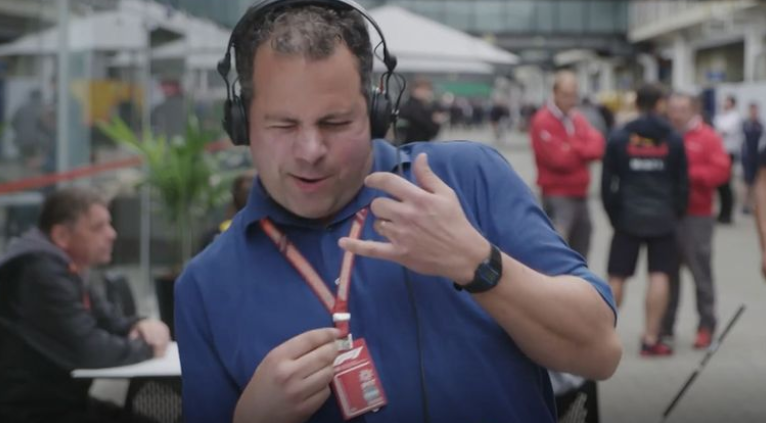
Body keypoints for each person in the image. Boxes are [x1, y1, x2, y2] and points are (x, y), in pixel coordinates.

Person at [175, 2, 622, 423]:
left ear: (376, 112)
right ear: (241, 124)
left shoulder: (467, 180)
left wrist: (480, 264)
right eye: (283, 125)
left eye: (335, 123)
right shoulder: (206, 284)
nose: (310, 151)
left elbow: (599, 352)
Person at [0, 187, 170, 422]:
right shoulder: (38, 271)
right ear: (61, 236)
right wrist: (148, 347)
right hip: (33, 411)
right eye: (98, 227)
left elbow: (109, 321)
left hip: (60, 403)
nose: (112, 234)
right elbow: (89, 349)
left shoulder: (66, 267)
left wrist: (143, 323)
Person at [601, 83, 688, 356]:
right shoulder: (673, 138)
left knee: (617, 276)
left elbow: (606, 184)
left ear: (636, 103)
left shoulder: (618, 137)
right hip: (663, 218)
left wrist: (615, 215)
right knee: (660, 275)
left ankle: (600, 336)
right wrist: (675, 212)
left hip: (627, 217)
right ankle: (651, 339)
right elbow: (682, 183)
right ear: (661, 104)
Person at [661, 93, 730, 351]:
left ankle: (706, 326)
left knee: (700, 273)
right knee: (667, 275)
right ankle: (665, 328)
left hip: (697, 216)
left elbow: (721, 171)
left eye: (681, 109)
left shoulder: (708, 137)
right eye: (672, 109)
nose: (676, 114)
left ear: (693, 110)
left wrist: (687, 174)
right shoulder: (666, 136)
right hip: (668, 216)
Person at [530, 70, 605, 260]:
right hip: (558, 194)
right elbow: (558, 160)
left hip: (581, 193)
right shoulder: (543, 121)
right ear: (554, 93)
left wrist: (571, 145)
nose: (571, 100)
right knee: (558, 249)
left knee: (582, 245)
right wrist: (581, 145)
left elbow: (598, 146)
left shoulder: (577, 118)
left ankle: (577, 287)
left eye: (574, 95)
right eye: (566, 95)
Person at [713, 95, 742, 224]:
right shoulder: (719, 116)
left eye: (727, 102)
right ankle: (722, 212)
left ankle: (727, 214)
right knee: (719, 183)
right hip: (718, 152)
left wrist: (717, 132)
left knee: (726, 183)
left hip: (728, 152)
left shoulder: (735, 117)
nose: (725, 104)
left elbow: (723, 131)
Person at [397, 77, 445, 144]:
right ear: (414, 90)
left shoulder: (428, 106)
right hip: (410, 144)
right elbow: (425, 124)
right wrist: (434, 120)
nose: (426, 92)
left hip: (422, 143)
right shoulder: (408, 106)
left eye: (427, 90)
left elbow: (433, 131)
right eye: (422, 89)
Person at [741, 102, 763, 214]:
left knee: (755, 182)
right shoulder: (745, 124)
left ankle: (754, 205)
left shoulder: (759, 124)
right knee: (747, 181)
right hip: (747, 156)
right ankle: (745, 205)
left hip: (756, 156)